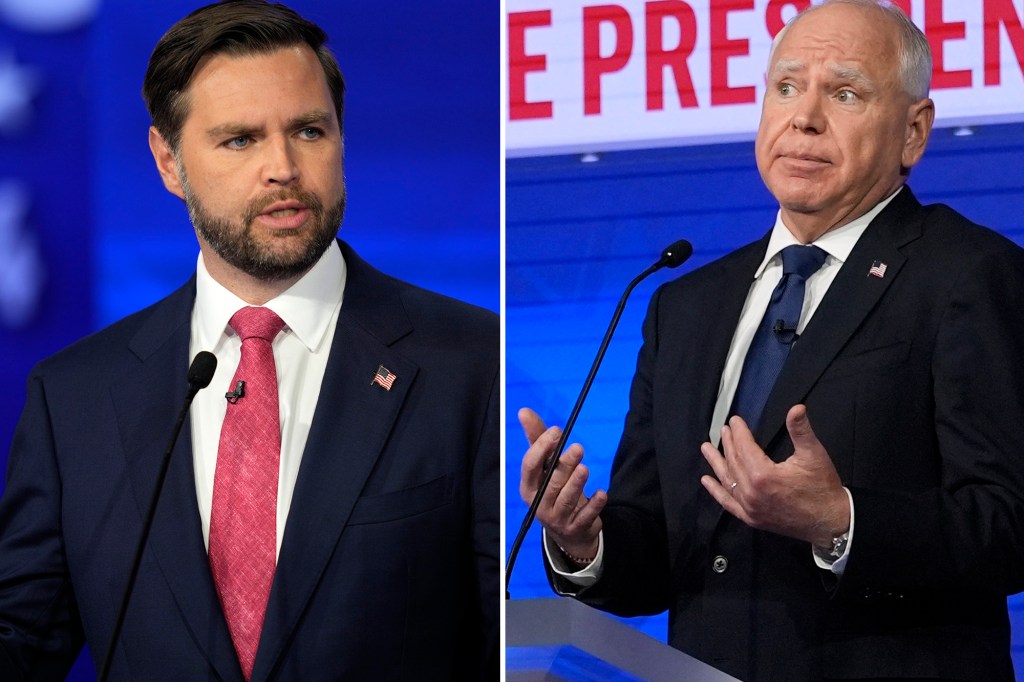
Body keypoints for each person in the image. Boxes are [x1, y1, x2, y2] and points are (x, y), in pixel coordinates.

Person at [519, 1, 1024, 680]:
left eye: (844, 93)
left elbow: (1009, 523)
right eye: (786, 88)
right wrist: (584, 542)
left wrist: (839, 520)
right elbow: (664, 556)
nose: (804, 117)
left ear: (913, 132)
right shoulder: (683, 306)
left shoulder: (967, 273)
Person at [0, 1, 498, 680]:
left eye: (309, 131)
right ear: (168, 162)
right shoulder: (74, 400)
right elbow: (21, 638)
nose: (284, 167)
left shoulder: (469, 364)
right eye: (240, 140)